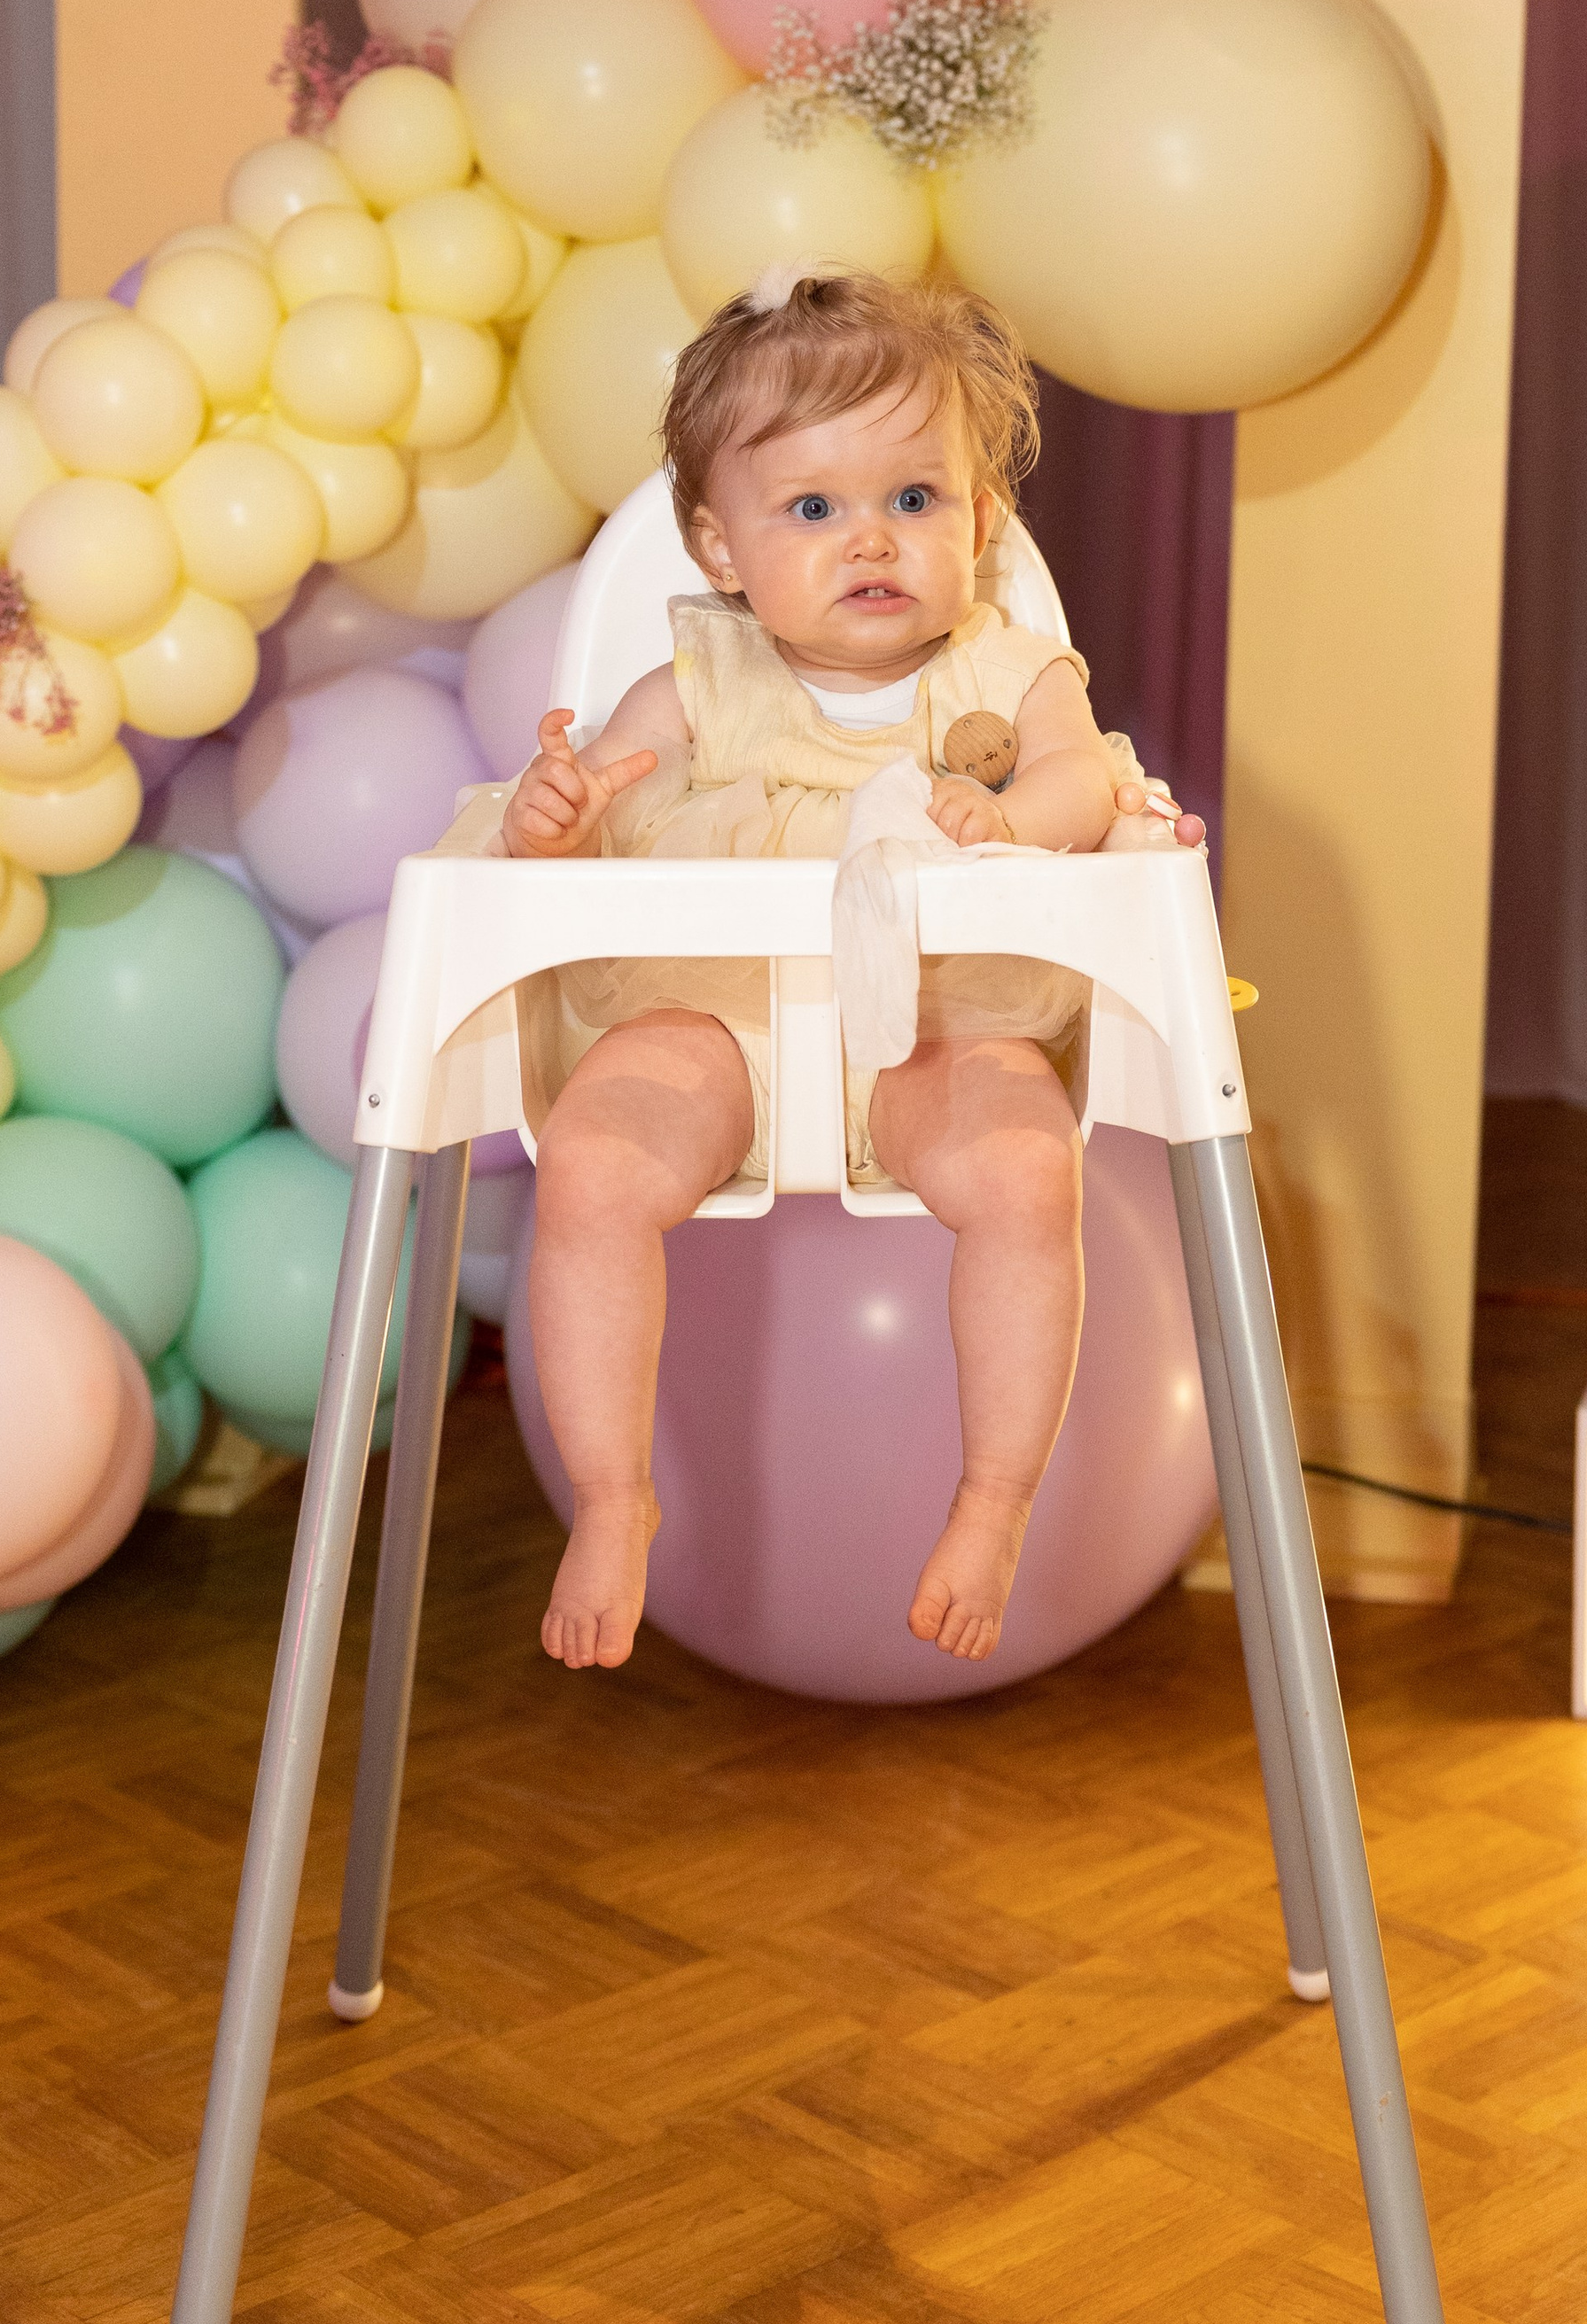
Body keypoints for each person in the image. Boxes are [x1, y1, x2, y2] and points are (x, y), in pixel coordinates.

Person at [486, 267, 1201, 1677]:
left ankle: (991, 1501)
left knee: (1024, 1170)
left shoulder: (1005, 667)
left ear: (980, 520)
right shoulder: (693, 685)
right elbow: (589, 850)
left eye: (914, 500)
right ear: (722, 543)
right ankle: (616, 1497)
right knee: (593, 1162)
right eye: (813, 509)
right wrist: (546, 824)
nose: (870, 538)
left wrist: (1010, 822)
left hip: (940, 1021)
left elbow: (1079, 781)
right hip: (718, 1021)